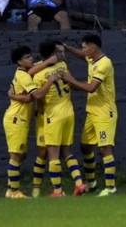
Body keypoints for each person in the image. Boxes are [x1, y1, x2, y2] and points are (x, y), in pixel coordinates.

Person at [61, 34, 118, 197]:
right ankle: (92, 184)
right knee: (85, 146)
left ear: (93, 48)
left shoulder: (104, 64)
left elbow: (91, 87)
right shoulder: (92, 59)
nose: (83, 50)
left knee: (104, 149)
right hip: (92, 111)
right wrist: (67, 48)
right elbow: (80, 54)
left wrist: (70, 80)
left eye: (85, 47)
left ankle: (110, 187)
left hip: (105, 112)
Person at [30, 40, 87, 197]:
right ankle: (79, 183)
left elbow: (38, 95)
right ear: (53, 54)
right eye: (60, 52)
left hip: (53, 115)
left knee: (52, 155)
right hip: (68, 112)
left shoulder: (39, 75)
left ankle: (57, 191)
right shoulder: (63, 67)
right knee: (66, 152)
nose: (63, 55)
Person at [3, 45, 59, 199]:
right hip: (16, 118)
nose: (31, 59)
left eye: (30, 56)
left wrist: (48, 61)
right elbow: (37, 95)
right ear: (19, 62)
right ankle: (14, 191)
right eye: (27, 57)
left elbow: (28, 97)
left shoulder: (26, 70)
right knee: (16, 155)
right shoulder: (24, 76)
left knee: (21, 155)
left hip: (20, 118)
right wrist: (50, 81)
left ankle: (11, 189)